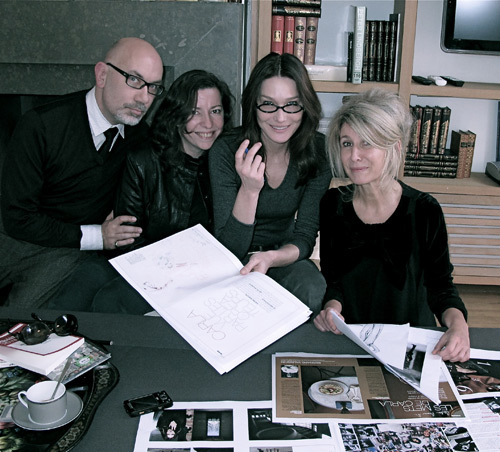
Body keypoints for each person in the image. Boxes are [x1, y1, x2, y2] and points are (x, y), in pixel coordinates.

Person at [48, 69, 234, 313]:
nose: (208, 123)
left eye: (215, 111)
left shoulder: (228, 165)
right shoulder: (143, 161)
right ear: (177, 115)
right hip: (144, 261)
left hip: (197, 272)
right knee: (84, 281)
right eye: (194, 111)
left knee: (111, 300)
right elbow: (127, 238)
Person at [0, 37, 164, 308]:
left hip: (65, 253)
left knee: (21, 323)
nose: (144, 98)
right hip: (12, 237)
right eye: (134, 80)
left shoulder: (139, 137)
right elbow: (17, 217)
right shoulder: (41, 125)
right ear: (102, 75)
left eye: (153, 86)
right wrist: (98, 236)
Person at [313, 88, 470, 363]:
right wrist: (331, 308)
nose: (354, 156)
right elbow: (333, 280)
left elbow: (441, 287)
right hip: (352, 340)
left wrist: (459, 326)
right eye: (347, 143)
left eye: (366, 143)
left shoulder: (424, 210)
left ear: (394, 147)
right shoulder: (332, 204)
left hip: (410, 345)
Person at [208, 52, 331, 314]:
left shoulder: (318, 151)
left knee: (312, 289)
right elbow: (229, 248)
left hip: (281, 255)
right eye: (268, 104)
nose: (280, 117)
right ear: (253, 105)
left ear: (305, 105)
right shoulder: (226, 150)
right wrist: (249, 190)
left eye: (292, 104)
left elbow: (305, 237)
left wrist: (271, 258)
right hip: (233, 259)